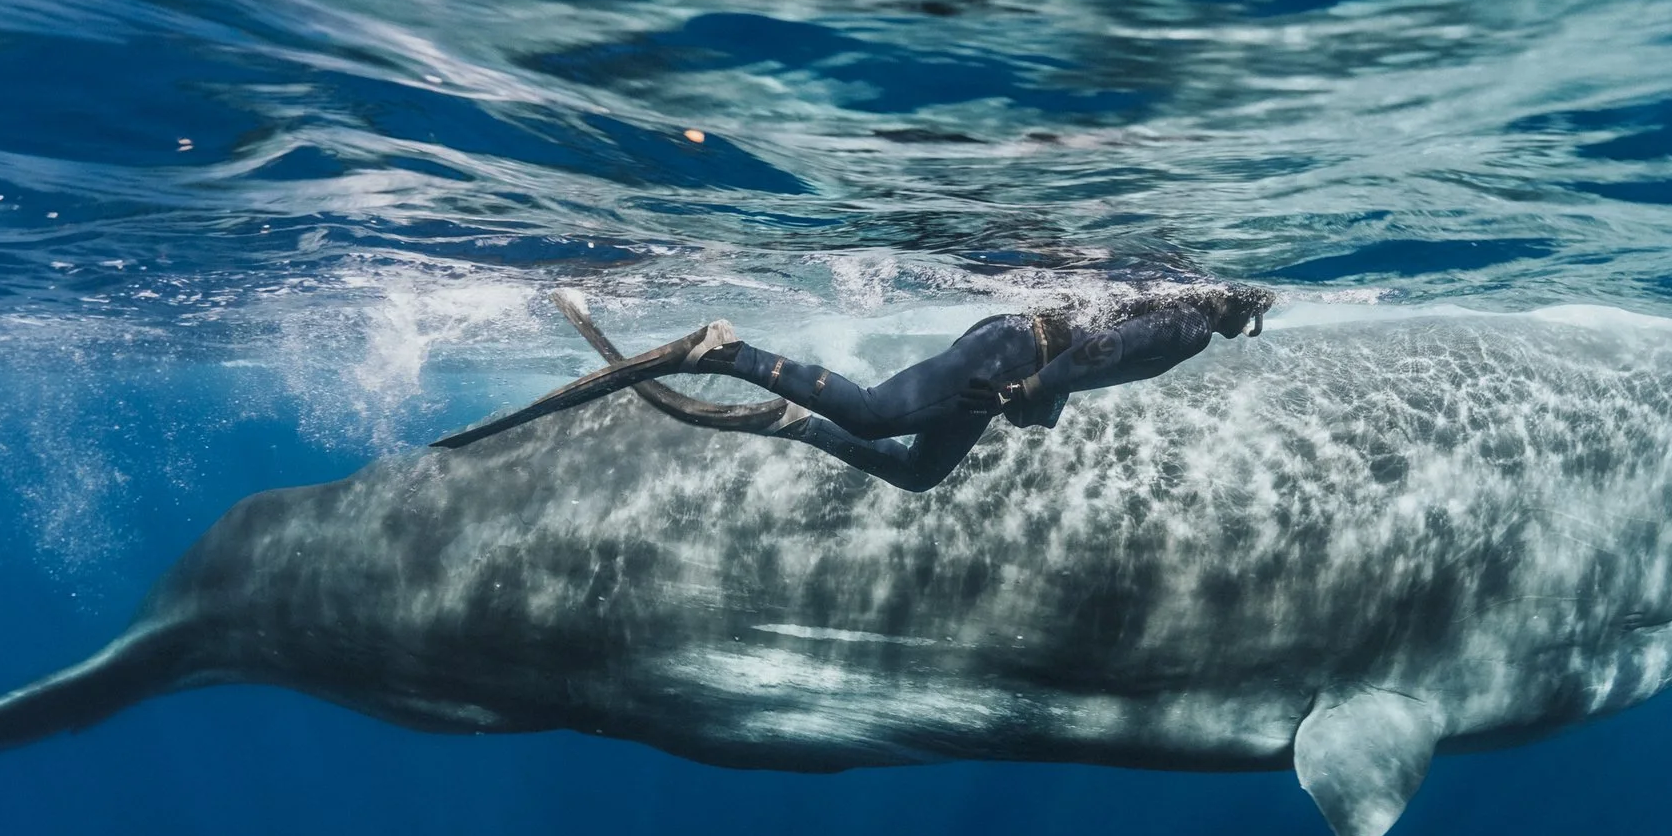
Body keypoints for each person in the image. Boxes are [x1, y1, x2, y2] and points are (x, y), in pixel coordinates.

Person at [435, 281, 1272, 491]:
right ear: (1241, 306)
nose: (1248, 328)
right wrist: (1034, 389)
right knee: (873, 417)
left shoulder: (1186, 309)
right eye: (1254, 316)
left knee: (918, 475)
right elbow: (1102, 351)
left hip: (1020, 364)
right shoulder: (1193, 322)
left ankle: (791, 419)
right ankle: (724, 348)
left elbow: (1096, 351)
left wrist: (1038, 402)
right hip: (1008, 353)